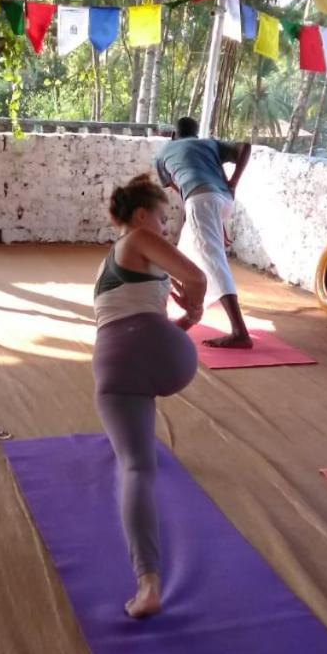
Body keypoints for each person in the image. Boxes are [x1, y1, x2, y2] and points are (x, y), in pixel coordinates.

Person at [93, 174, 206, 619]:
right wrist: (194, 308)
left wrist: (180, 320)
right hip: (165, 356)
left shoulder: (107, 267)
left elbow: (129, 327)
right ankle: (149, 583)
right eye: (162, 219)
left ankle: (147, 583)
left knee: (135, 467)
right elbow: (195, 276)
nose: (163, 229)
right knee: (141, 463)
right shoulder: (139, 237)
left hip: (116, 362)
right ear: (141, 216)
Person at [154, 116, 252, 348]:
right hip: (224, 199)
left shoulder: (164, 152)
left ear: (173, 135)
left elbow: (179, 186)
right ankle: (189, 313)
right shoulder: (209, 143)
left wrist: (204, 216)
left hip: (201, 200)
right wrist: (233, 182)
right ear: (196, 134)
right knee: (184, 256)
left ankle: (240, 332)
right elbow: (245, 147)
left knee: (214, 262)